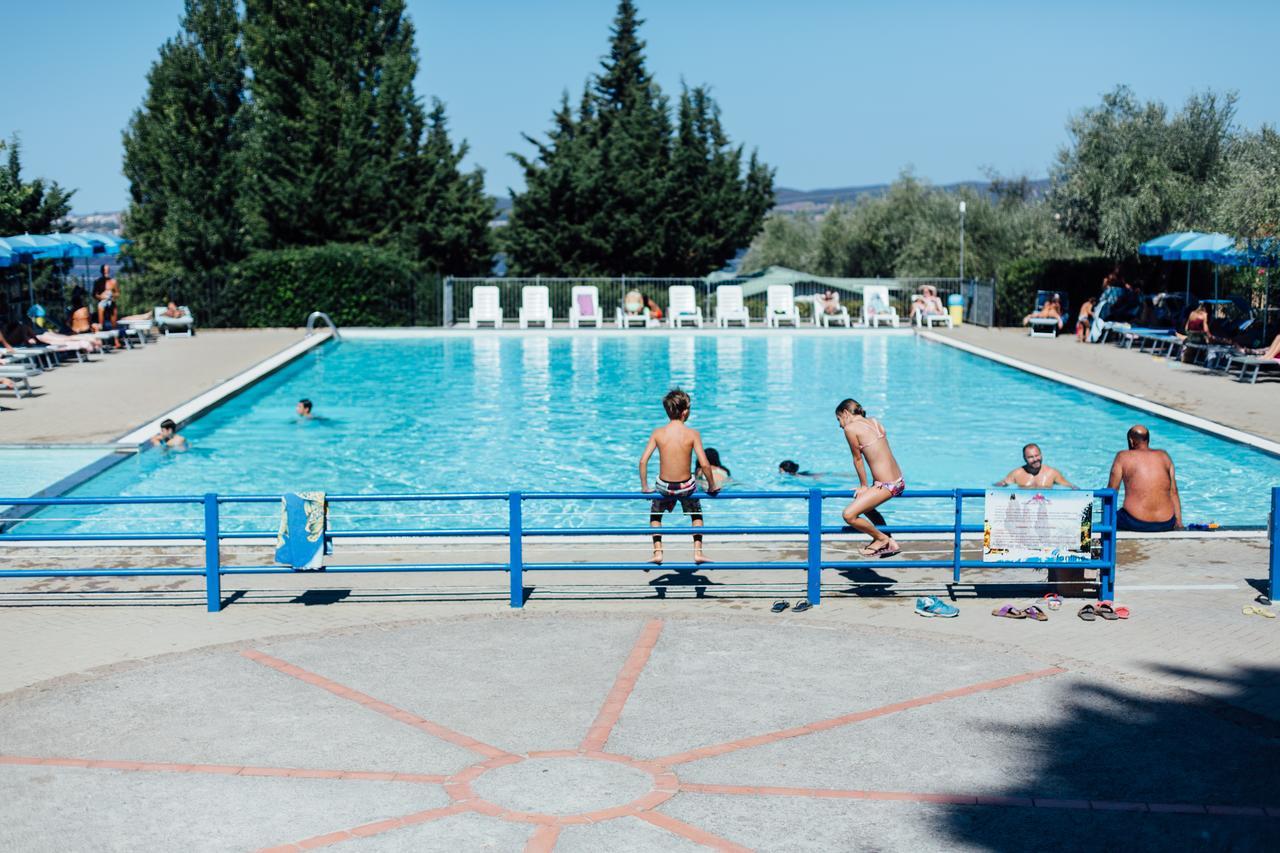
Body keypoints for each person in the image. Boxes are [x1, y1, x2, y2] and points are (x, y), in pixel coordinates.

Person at [639, 388, 718, 565]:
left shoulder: (658, 433)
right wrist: (712, 486)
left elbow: (643, 461)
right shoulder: (692, 434)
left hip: (664, 487)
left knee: (656, 515)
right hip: (686, 487)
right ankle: (698, 552)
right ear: (685, 411)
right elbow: (705, 464)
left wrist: (645, 487)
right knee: (696, 514)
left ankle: (658, 552)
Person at [836, 398, 903, 558]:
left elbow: (858, 459)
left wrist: (863, 486)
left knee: (849, 515)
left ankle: (881, 539)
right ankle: (891, 542)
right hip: (898, 481)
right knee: (866, 506)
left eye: (838, 419)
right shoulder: (874, 422)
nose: (839, 425)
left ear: (845, 413)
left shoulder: (851, 428)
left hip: (886, 485)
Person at [1107, 425, 1181, 532]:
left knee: (1111, 518)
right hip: (1166, 523)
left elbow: (1112, 491)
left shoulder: (1123, 456)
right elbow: (1173, 492)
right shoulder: (1164, 456)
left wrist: (1106, 521)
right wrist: (1178, 522)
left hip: (1136, 522)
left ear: (1131, 441)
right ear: (1148, 440)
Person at [994, 443, 1076, 489]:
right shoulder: (1016, 474)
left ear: (1041, 455)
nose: (1035, 459)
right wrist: (1000, 484)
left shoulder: (1052, 473)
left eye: (1037, 455)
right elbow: (1001, 484)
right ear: (1024, 458)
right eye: (1030, 457)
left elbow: (1070, 486)